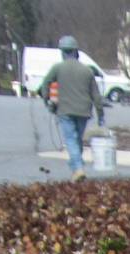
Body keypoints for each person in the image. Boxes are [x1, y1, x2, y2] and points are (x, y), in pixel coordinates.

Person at [39, 35, 105, 181]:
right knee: (77, 140)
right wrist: (100, 115)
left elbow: (45, 84)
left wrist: (47, 101)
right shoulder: (87, 71)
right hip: (84, 111)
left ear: (62, 52)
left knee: (70, 139)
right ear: (76, 52)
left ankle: (78, 168)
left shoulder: (58, 68)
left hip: (65, 110)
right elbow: (96, 95)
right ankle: (76, 168)